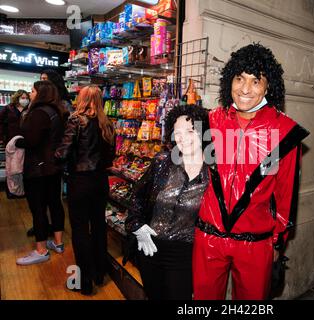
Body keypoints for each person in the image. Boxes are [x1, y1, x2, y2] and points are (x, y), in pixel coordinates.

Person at [192, 43, 309, 300]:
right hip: (208, 237)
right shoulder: (208, 121)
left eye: (256, 81)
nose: (245, 89)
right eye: (239, 78)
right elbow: (194, 176)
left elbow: (286, 195)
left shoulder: (286, 134)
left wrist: (278, 242)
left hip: (255, 243)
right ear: (229, 80)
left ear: (268, 86)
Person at [125, 104, 210, 300]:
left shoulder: (213, 172)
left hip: (185, 255)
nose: (182, 137)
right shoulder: (162, 161)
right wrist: (136, 225)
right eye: (177, 132)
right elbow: (137, 195)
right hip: (150, 247)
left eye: (190, 130)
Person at [55, 85, 115, 295]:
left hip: (80, 182)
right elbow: (109, 157)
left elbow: (62, 152)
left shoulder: (76, 120)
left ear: (82, 99)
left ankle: (84, 281)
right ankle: (99, 273)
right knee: (99, 227)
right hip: (100, 182)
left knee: (80, 230)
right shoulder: (107, 123)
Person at [15, 81, 67, 266]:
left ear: (41, 93)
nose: (30, 94)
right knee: (55, 204)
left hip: (37, 169)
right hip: (53, 167)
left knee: (38, 208)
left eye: (32, 90)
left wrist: (17, 142)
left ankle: (41, 250)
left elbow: (31, 141)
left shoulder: (38, 113)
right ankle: (58, 243)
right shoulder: (58, 112)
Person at [0, 89, 30, 198]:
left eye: (27, 98)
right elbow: (1, 122)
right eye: (23, 98)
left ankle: (23, 191)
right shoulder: (9, 108)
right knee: (11, 168)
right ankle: (11, 192)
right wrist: (3, 138)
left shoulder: (29, 109)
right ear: (17, 98)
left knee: (22, 168)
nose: (25, 100)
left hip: (24, 142)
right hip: (11, 143)